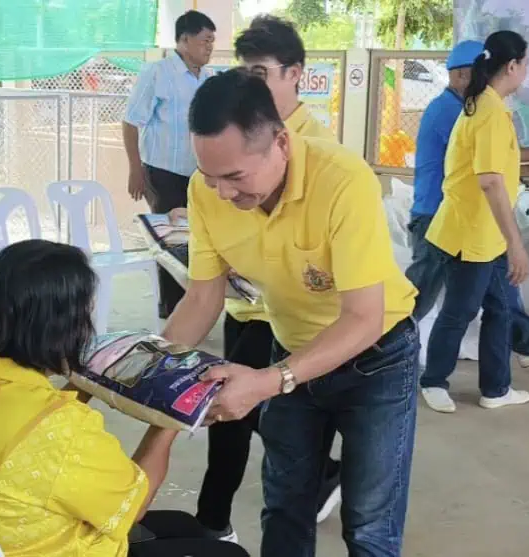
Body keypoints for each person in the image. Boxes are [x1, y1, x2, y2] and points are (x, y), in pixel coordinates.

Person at [165, 69, 419, 557]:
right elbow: (202, 298)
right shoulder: (206, 192)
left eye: (236, 176)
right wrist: (152, 369)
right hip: (292, 348)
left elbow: (363, 317)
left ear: (281, 142)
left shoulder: (343, 180)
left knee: (369, 523)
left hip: (377, 359)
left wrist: (269, 380)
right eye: (209, 175)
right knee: (285, 506)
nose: (221, 193)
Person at [0, 239, 247, 557]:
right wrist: (176, 416)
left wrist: (84, 384)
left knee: (186, 526)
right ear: (59, 329)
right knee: (229, 553)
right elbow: (134, 506)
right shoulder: (65, 431)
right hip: (42, 545)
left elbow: (28, 427)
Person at [191, 17, 341, 543]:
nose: (250, 85)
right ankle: (214, 523)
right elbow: (202, 290)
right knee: (233, 418)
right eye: (243, 73)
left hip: (313, 324)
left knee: (275, 420)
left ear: (295, 74)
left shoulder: (326, 159)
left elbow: (362, 305)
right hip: (248, 310)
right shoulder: (214, 170)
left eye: (261, 72)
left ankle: (319, 476)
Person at [407, 39, 529, 396]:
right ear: (510, 66)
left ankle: (499, 385)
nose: (527, 71)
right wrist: (516, 243)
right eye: (525, 63)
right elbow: (489, 177)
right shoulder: (472, 110)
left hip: (481, 228)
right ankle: (409, 370)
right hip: (460, 225)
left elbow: (496, 162)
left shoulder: (482, 107)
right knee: (437, 305)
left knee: (497, 306)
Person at [123, 9, 215, 319]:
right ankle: (171, 309)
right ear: (185, 40)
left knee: (198, 237)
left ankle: (195, 303)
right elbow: (131, 121)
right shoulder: (158, 73)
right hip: (162, 173)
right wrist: (136, 170)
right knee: (170, 240)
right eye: (205, 41)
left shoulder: (210, 79)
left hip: (199, 176)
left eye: (212, 42)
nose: (209, 47)